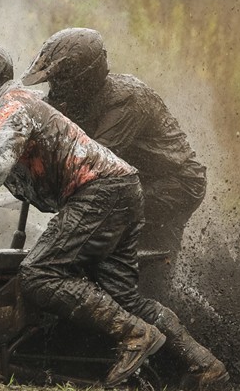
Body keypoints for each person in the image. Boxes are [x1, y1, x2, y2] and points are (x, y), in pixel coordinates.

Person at [0, 38, 228, 390]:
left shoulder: (11, 108)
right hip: (117, 190)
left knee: (38, 274)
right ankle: (204, 363)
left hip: (101, 192)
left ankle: (135, 335)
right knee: (123, 297)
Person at [21, 28, 207, 256]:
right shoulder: (74, 98)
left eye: (61, 80)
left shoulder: (127, 100)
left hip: (176, 183)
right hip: (136, 179)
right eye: (53, 81)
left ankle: (151, 279)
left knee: (101, 221)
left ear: (83, 78)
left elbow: (94, 165)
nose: (55, 89)